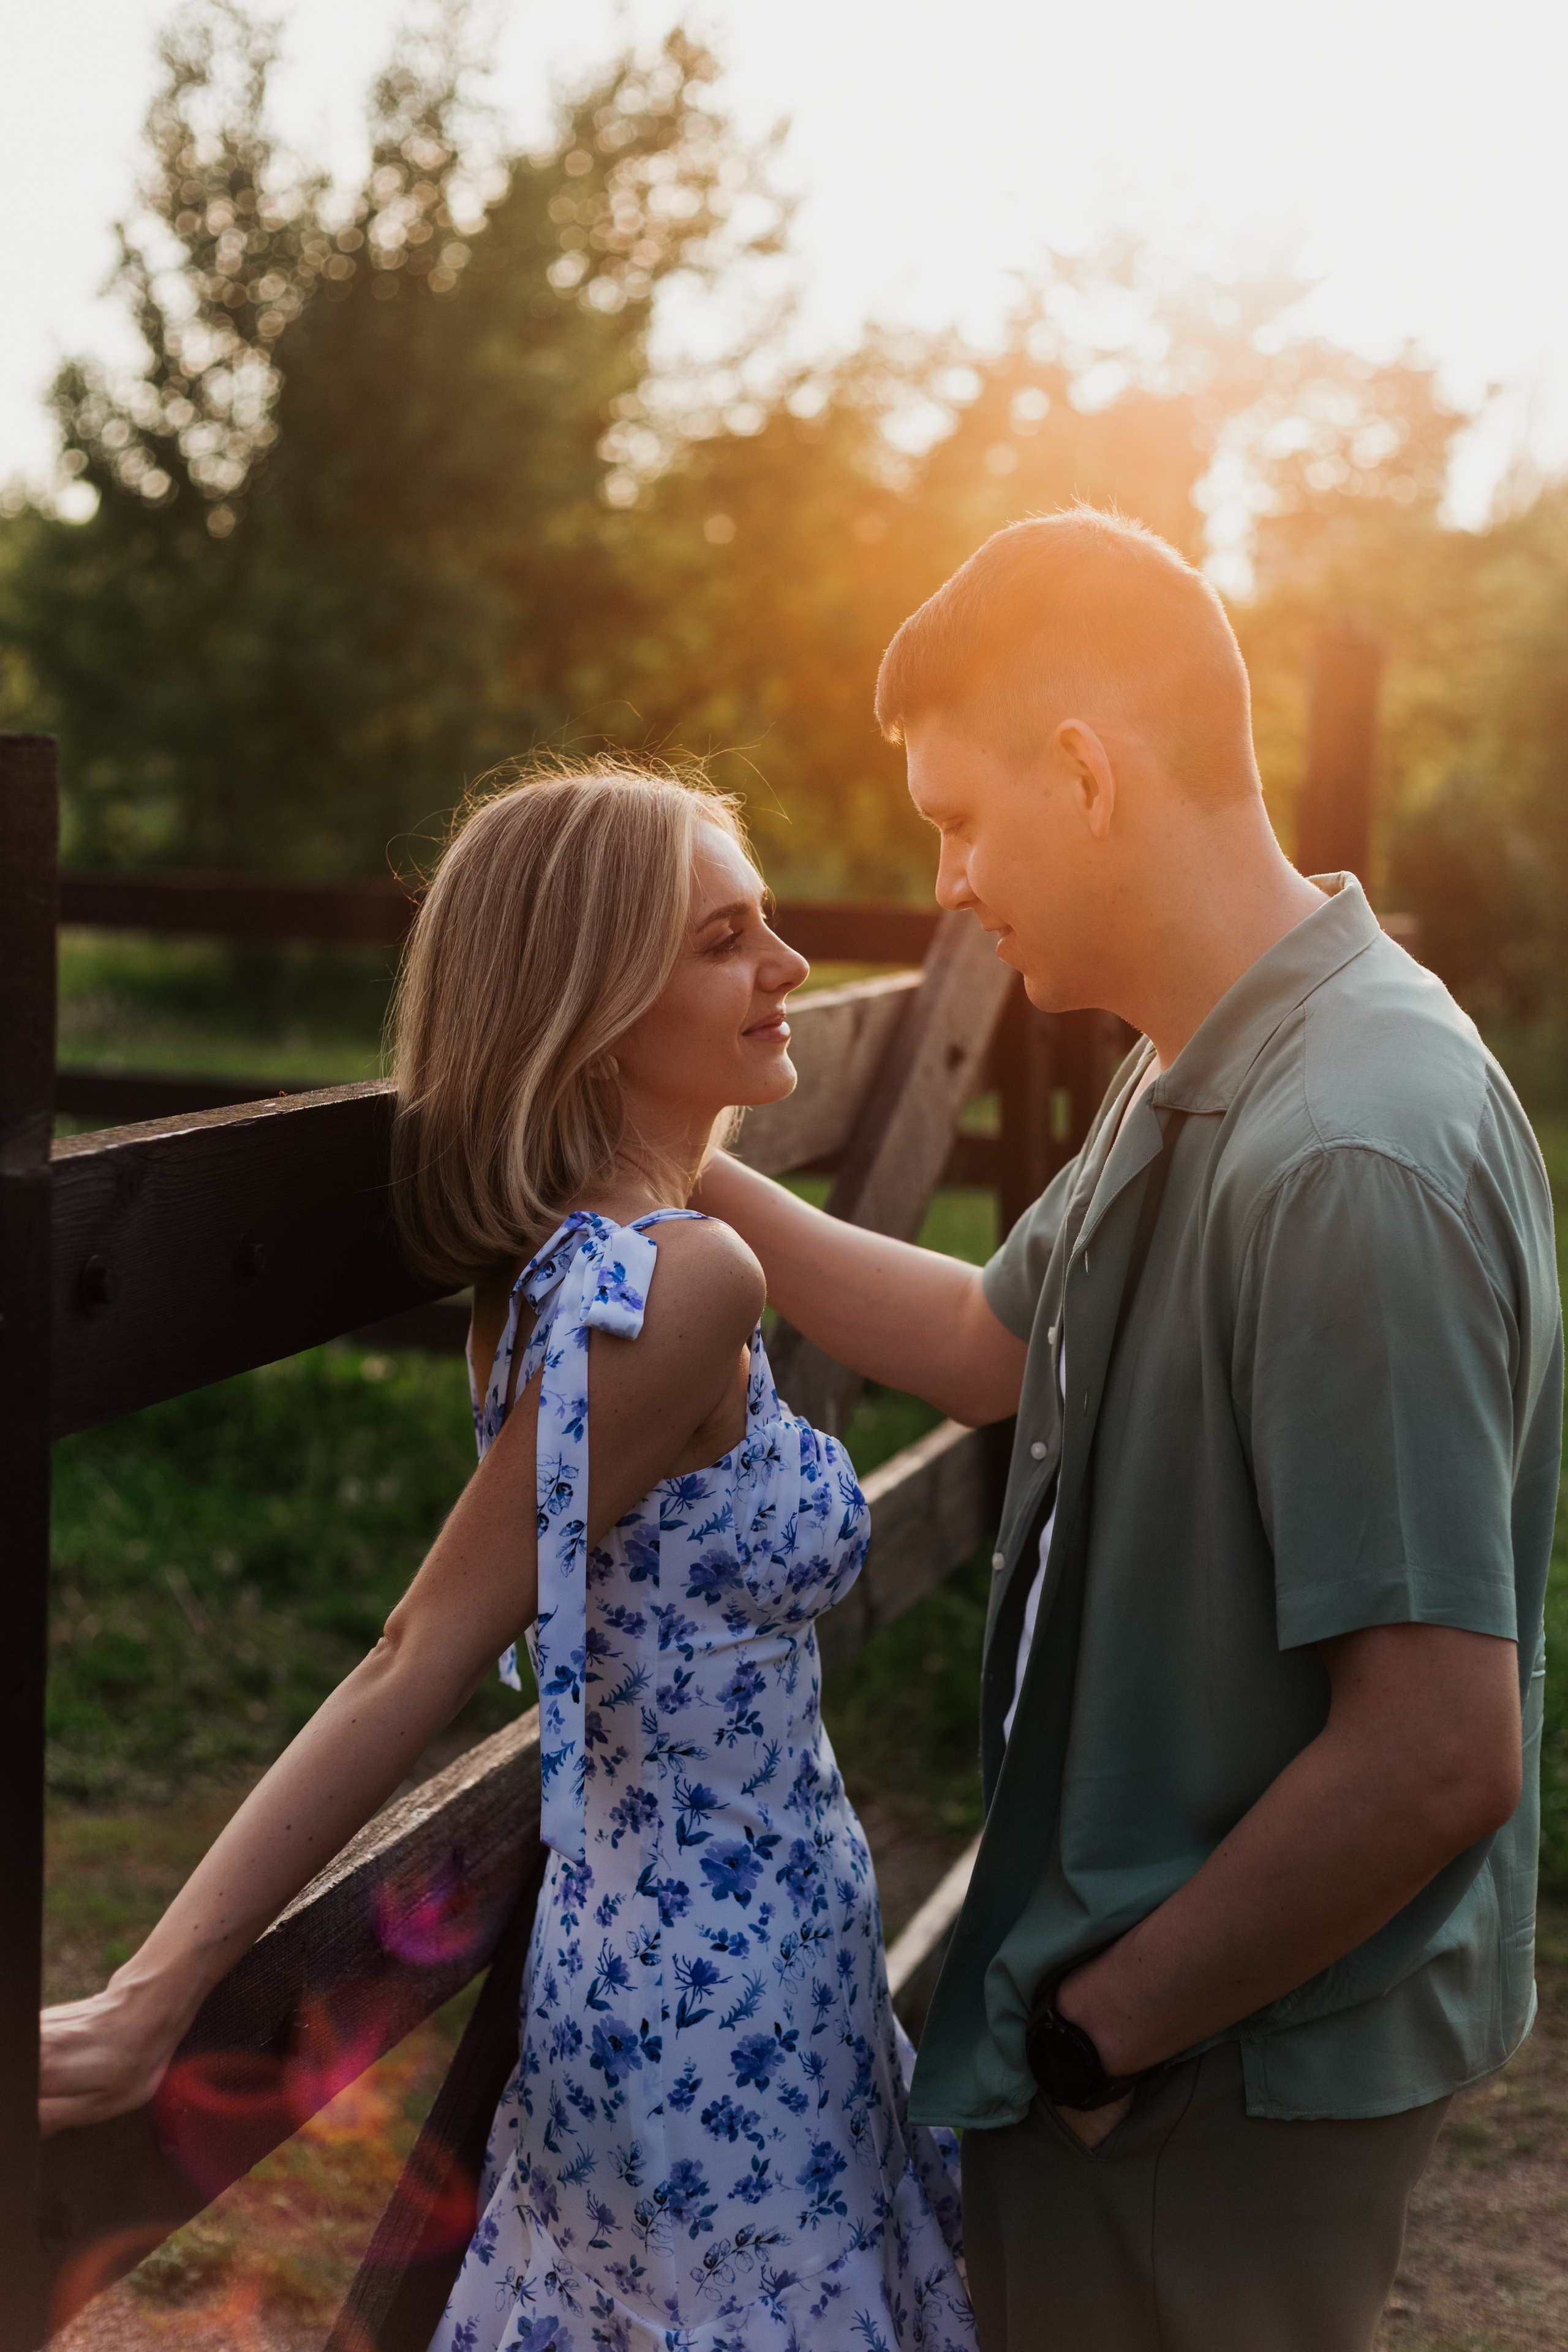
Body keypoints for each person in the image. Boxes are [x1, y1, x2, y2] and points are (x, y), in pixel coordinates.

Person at [693, 508, 1562, 2351]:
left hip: (1213, 2071)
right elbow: (988, 1342)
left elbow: (1435, 1752)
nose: (945, 883)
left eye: (958, 819)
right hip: (1168, 2040)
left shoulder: (1348, 1154)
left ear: (1087, 775)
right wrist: (676, 1171)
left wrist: (1103, 2034)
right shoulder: (1204, 1051)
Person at [37, 764, 976, 2352]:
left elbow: (970, 1344)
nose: (790, 964)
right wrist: (153, 1996)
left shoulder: (592, 1259)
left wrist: (669, 1126)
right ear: (595, 1008)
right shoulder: (678, 1286)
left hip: (736, 1955)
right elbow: (420, 1647)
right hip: (706, 1996)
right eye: (724, 940)